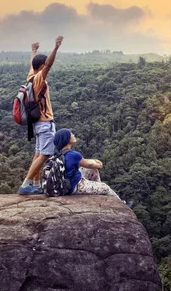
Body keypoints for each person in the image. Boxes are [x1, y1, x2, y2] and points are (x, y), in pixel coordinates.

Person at [18, 36, 64, 195]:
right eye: (44, 66)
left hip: (37, 124)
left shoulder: (31, 76)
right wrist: (56, 48)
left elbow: (33, 64)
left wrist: (33, 50)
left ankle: (36, 184)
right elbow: (49, 65)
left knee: (38, 153)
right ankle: (25, 185)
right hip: (45, 123)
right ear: (41, 66)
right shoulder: (38, 79)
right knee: (45, 154)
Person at [53, 128, 127, 201]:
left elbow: (86, 162)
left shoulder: (57, 155)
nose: (73, 135)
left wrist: (94, 161)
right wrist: (99, 164)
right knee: (105, 187)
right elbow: (93, 165)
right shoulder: (73, 155)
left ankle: (97, 188)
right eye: (71, 134)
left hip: (64, 183)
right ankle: (121, 202)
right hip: (75, 186)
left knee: (91, 169)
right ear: (67, 139)